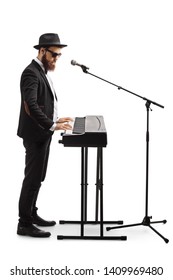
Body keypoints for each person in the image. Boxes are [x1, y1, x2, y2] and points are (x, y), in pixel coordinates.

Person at [17, 33, 73, 237]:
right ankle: (24, 223)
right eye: (54, 54)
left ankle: (32, 214)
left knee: (38, 177)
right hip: (35, 134)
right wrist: (51, 125)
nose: (57, 58)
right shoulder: (31, 73)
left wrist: (55, 121)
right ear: (41, 50)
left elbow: (43, 103)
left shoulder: (41, 71)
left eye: (59, 55)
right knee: (32, 179)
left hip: (43, 132)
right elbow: (30, 105)